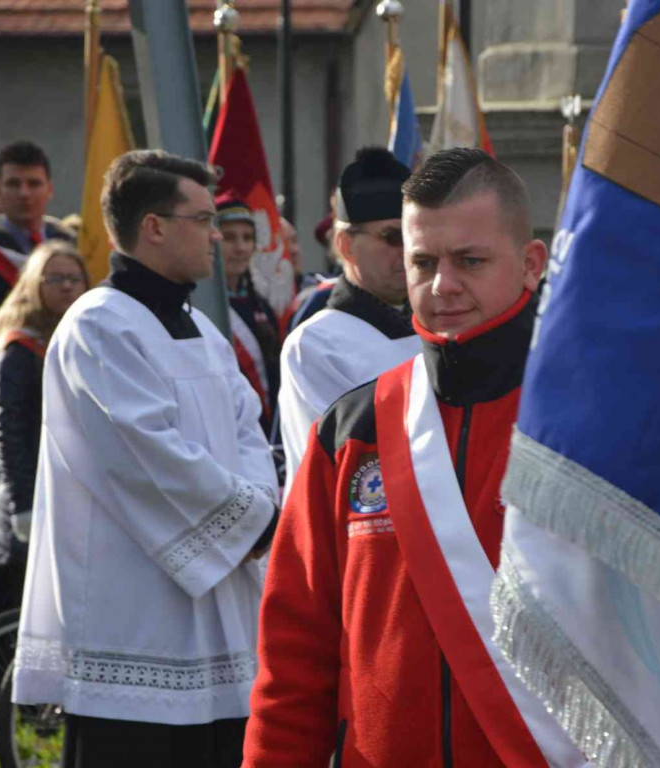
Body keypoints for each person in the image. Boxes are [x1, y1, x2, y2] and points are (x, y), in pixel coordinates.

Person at [244, 149, 586, 767]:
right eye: (422, 262)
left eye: (470, 260)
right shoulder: (351, 431)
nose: (442, 285)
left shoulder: (593, 424)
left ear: (532, 263)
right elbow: (295, 656)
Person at [12, 150, 280, 768]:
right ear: (154, 226)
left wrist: (260, 509)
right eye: (204, 219)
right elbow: (148, 455)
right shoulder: (100, 326)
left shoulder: (202, 330)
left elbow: (249, 429)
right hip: (134, 618)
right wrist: (258, 524)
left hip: (220, 609)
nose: (216, 235)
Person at [277, 147, 419, 490]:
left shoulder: (439, 327)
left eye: (413, 236)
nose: (410, 251)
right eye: (391, 237)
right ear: (346, 246)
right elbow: (355, 461)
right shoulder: (315, 343)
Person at [0, 241, 88, 614]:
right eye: (55, 278)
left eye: (74, 278)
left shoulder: (84, 339)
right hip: (28, 495)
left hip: (69, 494)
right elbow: (6, 430)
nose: (67, 286)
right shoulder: (19, 349)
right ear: (34, 283)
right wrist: (23, 507)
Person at [218, 197, 282, 432]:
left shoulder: (262, 307)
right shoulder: (199, 308)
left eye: (247, 238)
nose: (241, 248)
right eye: (229, 237)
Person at [0, 141, 76, 306]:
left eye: (34, 184)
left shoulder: (71, 242)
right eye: (13, 184)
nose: (24, 193)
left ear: (50, 190)